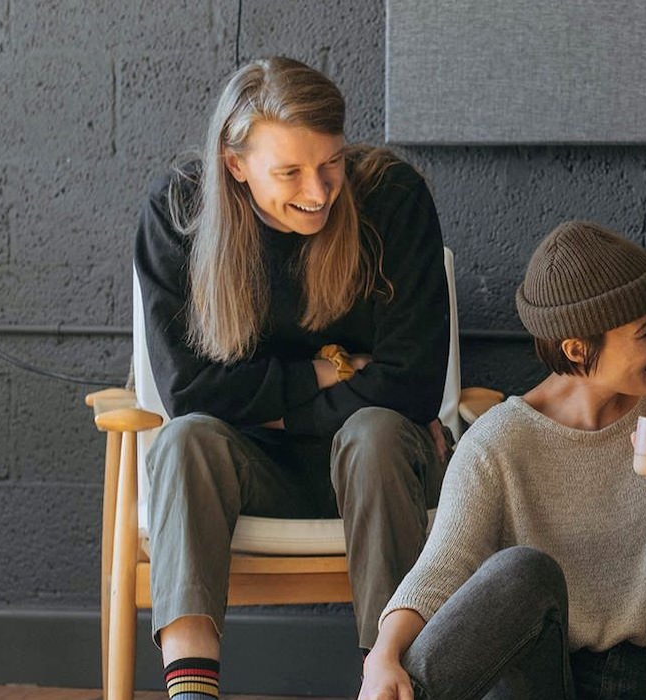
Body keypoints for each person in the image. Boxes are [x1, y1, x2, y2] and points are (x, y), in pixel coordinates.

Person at [134, 56, 450, 700]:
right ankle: (191, 693)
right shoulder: (179, 211)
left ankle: (387, 680)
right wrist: (327, 371)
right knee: (185, 440)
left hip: (381, 468)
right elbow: (190, 392)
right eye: (291, 172)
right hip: (252, 470)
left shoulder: (392, 197)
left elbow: (413, 384)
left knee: (374, 434)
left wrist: (268, 404)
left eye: (331, 162)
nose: (320, 190)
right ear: (235, 164)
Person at [358, 221, 646, 700]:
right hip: (533, 679)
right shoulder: (497, 443)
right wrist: (382, 656)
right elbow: (441, 569)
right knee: (522, 572)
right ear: (577, 348)